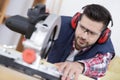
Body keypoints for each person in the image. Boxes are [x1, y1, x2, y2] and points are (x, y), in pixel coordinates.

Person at [47, 4, 115, 80]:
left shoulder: (106, 49)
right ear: (76, 21)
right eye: (82, 27)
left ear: (103, 35)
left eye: (92, 33)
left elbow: (102, 66)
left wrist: (81, 66)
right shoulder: (60, 23)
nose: (84, 36)